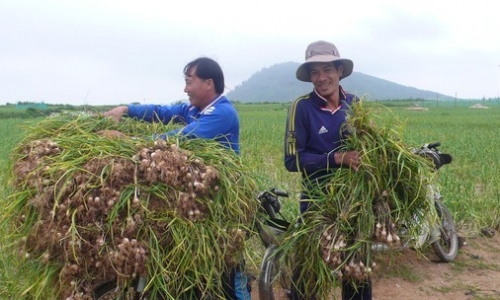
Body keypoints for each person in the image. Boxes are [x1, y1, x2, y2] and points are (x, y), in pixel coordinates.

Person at [103, 57, 251, 300]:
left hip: (222, 206)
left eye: (189, 82)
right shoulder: (193, 109)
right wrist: (126, 109)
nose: (185, 88)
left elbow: (182, 137)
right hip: (197, 200)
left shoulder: (222, 113)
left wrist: (126, 142)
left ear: (208, 83)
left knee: (229, 276)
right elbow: (161, 112)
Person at [283, 41, 371, 300]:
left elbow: (371, 149)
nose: (321, 78)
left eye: (327, 70)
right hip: (316, 207)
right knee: (308, 277)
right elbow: (292, 160)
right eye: (314, 72)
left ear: (339, 70)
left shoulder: (356, 106)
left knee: (357, 276)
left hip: (354, 204)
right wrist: (337, 159)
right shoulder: (302, 108)